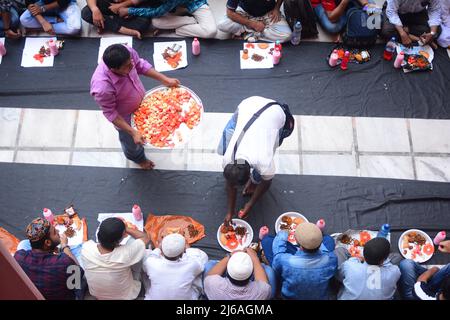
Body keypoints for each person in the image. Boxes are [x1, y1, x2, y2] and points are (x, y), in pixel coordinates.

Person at [90, 44, 180, 170]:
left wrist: (164, 79)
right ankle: (139, 159)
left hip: (143, 105)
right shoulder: (102, 88)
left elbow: (140, 65)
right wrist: (133, 132)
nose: (132, 66)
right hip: (126, 120)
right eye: (127, 67)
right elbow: (110, 113)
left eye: (130, 62)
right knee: (131, 144)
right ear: (113, 69)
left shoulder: (127, 52)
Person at [219, 96, 294, 225]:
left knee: (262, 175)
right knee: (228, 133)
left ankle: (253, 182)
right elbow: (229, 184)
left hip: (275, 113)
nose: (232, 187)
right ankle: (252, 183)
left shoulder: (264, 161)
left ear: (249, 173)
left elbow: (266, 183)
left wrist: (250, 204)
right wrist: (229, 212)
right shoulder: (228, 159)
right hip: (248, 104)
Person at [261, 222, 337, 300]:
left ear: (297, 243)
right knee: (328, 239)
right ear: (320, 244)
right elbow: (325, 253)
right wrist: (315, 240)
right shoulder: (332, 259)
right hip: (320, 296)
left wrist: (282, 234)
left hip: (290, 296)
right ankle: (318, 235)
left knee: (266, 241)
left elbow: (278, 255)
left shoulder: (286, 261)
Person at [81, 217, 151, 300]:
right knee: (134, 242)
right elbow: (145, 237)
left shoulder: (86, 248)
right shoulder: (126, 254)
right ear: (120, 239)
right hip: (125, 295)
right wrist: (125, 228)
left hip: (97, 294)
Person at [14, 218, 81, 300]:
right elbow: (77, 279)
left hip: (38, 291)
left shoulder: (19, 257)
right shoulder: (64, 262)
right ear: (47, 243)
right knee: (81, 251)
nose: (58, 231)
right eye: (54, 232)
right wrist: (64, 246)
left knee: (23, 243)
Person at [142, 233, 208, 300]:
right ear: (182, 253)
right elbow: (201, 264)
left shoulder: (151, 263)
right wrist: (188, 248)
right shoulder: (191, 265)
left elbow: (150, 258)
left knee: (146, 257)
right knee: (201, 257)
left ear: (162, 249)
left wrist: (158, 248)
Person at [336, 237, 401, 300]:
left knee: (339, 251)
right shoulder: (394, 272)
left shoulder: (350, 265)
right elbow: (391, 266)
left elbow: (340, 276)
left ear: (363, 254)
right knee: (397, 257)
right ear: (382, 261)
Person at [117, 0, 217, 39]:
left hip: (196, 4)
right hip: (172, 8)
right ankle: (188, 21)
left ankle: (184, 24)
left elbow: (156, 12)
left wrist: (130, 11)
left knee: (210, 32)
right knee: (156, 22)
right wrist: (123, 4)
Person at [203, 248, 275, 300]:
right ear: (252, 275)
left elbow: (210, 276)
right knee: (268, 271)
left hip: (216, 293)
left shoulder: (211, 284)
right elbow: (263, 282)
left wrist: (230, 256)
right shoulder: (263, 291)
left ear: (227, 271)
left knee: (209, 265)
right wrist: (255, 258)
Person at [217, 0, 292, 42]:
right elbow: (230, 12)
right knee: (222, 24)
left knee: (287, 35)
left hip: (267, 14)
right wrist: (252, 24)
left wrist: (276, 8)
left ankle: (247, 33)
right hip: (245, 14)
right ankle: (256, 31)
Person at [81, 0, 155, 39]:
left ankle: (105, 21)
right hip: (110, 4)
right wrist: (95, 9)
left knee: (143, 25)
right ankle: (120, 27)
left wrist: (126, 8)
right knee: (86, 13)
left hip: (132, 5)